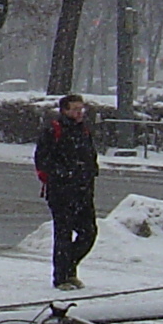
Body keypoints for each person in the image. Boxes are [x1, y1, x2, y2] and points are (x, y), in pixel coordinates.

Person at [33, 92, 99, 290]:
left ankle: (69, 267)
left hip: (83, 191)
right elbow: (42, 159)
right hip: (61, 191)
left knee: (89, 232)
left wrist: (90, 172)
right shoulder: (54, 130)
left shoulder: (83, 130)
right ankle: (62, 277)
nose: (80, 113)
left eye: (81, 109)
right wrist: (62, 175)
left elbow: (89, 155)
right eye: (75, 109)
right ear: (64, 110)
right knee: (63, 234)